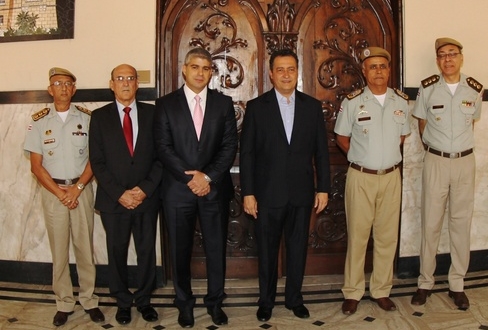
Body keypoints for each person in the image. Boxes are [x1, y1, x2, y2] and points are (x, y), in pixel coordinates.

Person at [240, 48, 331, 322]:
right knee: (267, 252)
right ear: (271, 74)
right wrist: (248, 193)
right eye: (280, 69)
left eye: (291, 69)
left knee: (297, 249)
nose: (286, 74)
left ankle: (294, 298)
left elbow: (322, 152)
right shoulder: (256, 108)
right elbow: (247, 155)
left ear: (297, 72)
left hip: (302, 194)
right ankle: (266, 301)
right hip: (267, 194)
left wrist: (323, 187)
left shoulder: (312, 107)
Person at [154, 48, 238, 328]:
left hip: (214, 190)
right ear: (184, 69)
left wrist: (208, 177)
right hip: (178, 191)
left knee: (216, 249)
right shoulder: (165, 104)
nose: (200, 73)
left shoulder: (223, 104)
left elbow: (229, 147)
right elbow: (163, 147)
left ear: (211, 72)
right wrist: (191, 178)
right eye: (195, 67)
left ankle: (215, 302)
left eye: (206, 68)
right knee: (179, 251)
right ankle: (184, 304)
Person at [23, 67, 104, 326]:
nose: (63, 88)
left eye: (68, 84)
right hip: (53, 194)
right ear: (50, 89)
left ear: (74, 89)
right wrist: (61, 193)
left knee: (84, 248)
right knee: (59, 251)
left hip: (81, 191)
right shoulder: (39, 121)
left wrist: (78, 188)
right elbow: (36, 166)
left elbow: (95, 158)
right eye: (58, 84)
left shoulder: (88, 119)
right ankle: (64, 302)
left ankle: (89, 300)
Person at [334, 47, 410, 315]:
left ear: (389, 70)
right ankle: (353, 291)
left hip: (391, 178)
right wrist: (361, 155)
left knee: (387, 237)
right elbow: (341, 138)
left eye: (383, 66)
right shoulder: (353, 102)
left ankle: (381, 290)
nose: (378, 70)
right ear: (364, 71)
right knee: (357, 236)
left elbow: (402, 137)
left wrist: (384, 157)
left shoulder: (401, 102)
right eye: (373, 66)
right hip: (361, 177)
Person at [411, 38, 483, 310]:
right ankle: (424, 283)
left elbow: (471, 125)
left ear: (461, 58)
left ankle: (457, 284)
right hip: (436, 161)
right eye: (442, 55)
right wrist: (434, 150)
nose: (448, 59)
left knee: (460, 224)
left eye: (452, 54)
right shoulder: (428, 88)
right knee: (430, 223)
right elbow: (421, 123)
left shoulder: (474, 89)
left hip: (465, 162)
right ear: (438, 60)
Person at [89, 64, 162, 325]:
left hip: (146, 198)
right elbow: (97, 162)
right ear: (112, 84)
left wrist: (143, 189)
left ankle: (144, 300)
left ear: (137, 84)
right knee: (116, 251)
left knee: (146, 251)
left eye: (130, 78)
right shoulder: (99, 117)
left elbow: (161, 157)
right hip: (113, 199)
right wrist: (120, 193)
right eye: (120, 78)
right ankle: (122, 302)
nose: (126, 83)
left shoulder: (154, 114)